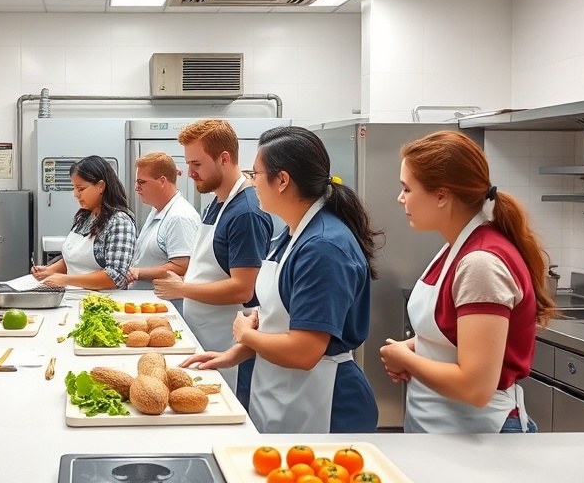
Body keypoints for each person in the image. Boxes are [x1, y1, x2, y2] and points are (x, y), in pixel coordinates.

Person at [180, 126, 381, 433]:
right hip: (283, 391)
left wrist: (245, 335)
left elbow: (304, 350)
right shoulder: (289, 234)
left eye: (256, 173)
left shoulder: (323, 247)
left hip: (324, 401)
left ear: (282, 180)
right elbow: (282, 313)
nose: (251, 181)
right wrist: (234, 354)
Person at [379, 130, 556, 433]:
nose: (400, 198)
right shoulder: (455, 248)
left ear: (442, 195)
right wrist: (411, 349)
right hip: (442, 429)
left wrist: (407, 360)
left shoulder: (480, 263)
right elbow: (453, 338)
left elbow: (476, 387)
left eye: (407, 189)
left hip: (480, 434)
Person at [153, 119, 273, 407]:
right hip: (206, 338)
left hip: (230, 346)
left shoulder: (246, 212)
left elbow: (243, 289)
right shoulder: (217, 203)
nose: (190, 172)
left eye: (197, 164)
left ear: (224, 158)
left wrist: (182, 290)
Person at [32, 155, 136, 290]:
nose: (75, 194)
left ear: (101, 186)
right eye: (74, 188)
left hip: (103, 303)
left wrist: (65, 279)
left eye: (81, 188)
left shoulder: (119, 222)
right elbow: (75, 259)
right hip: (75, 297)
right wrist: (50, 270)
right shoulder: (85, 217)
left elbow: (115, 276)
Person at [126, 152, 200, 299]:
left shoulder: (180, 216)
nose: (136, 188)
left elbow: (181, 267)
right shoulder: (157, 210)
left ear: (162, 181)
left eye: (142, 182)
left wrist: (138, 272)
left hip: (168, 308)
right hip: (150, 303)